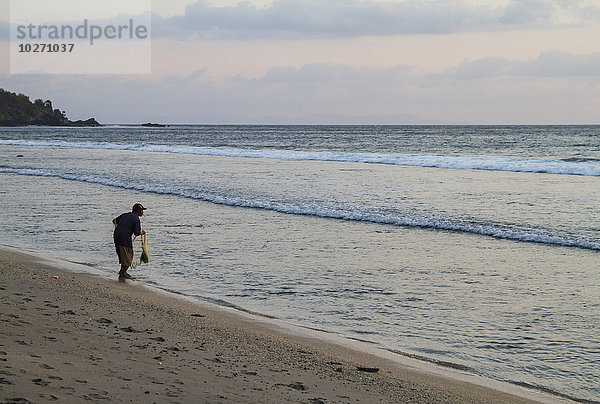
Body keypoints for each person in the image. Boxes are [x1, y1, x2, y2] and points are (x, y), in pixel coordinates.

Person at [113, 203, 146, 280]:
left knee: (123, 255)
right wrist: (142, 232)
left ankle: (122, 271)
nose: (142, 212)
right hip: (124, 237)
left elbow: (114, 221)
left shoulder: (125, 215)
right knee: (128, 255)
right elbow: (137, 233)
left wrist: (121, 227)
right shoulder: (136, 219)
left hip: (116, 235)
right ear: (137, 210)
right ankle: (123, 273)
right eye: (141, 210)